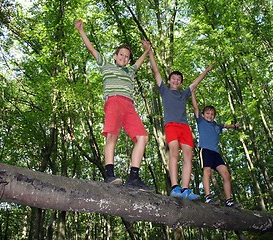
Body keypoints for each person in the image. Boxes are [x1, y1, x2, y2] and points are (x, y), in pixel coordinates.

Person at [74, 19, 153, 192]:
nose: (124, 58)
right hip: (114, 101)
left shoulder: (130, 71)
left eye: (127, 56)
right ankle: (109, 174)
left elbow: (138, 63)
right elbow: (91, 49)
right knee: (112, 136)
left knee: (143, 138)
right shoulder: (106, 66)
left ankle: (134, 177)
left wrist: (147, 51)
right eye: (121, 55)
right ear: (115, 56)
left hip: (129, 105)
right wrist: (81, 31)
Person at [148, 48, 215, 200]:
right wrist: (150, 52)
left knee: (188, 156)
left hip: (184, 127)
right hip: (171, 125)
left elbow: (196, 82)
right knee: (173, 152)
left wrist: (207, 70)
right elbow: (156, 71)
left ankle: (185, 189)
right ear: (169, 80)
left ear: (180, 82)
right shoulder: (164, 91)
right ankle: (175, 187)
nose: (176, 81)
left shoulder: (184, 94)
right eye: (173, 78)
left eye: (179, 79)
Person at [191, 90, 240, 207]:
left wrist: (235, 126)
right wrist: (192, 93)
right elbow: (196, 108)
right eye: (207, 113)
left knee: (226, 175)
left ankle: (228, 200)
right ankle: (208, 197)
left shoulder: (216, 125)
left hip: (216, 153)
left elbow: (225, 126)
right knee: (207, 171)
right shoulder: (201, 121)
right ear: (203, 115)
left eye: (212, 114)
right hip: (206, 150)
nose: (210, 115)